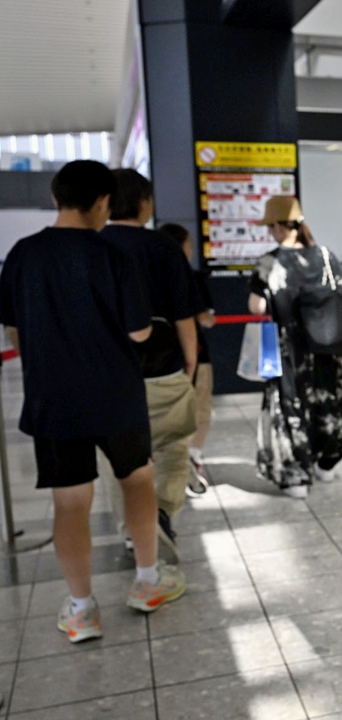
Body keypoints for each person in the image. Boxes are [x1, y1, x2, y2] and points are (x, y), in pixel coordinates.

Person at [0, 160, 185, 643]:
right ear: (103, 201)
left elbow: (13, 329)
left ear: (57, 196)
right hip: (115, 395)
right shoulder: (111, 256)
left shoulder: (22, 255)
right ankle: (147, 582)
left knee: (71, 501)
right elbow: (138, 330)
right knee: (138, 480)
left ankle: (81, 611)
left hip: (53, 400)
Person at [99, 169, 204, 561]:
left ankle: (132, 530)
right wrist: (190, 360)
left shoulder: (95, 245)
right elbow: (183, 313)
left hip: (111, 374)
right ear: (145, 203)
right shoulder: (164, 248)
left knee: (120, 457)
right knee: (172, 445)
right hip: (163, 366)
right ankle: (160, 511)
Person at [248, 196, 342, 498]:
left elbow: (256, 306)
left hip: (288, 350)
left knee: (291, 405)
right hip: (325, 346)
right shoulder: (327, 257)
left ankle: (297, 478)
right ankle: (327, 465)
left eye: (271, 227)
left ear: (280, 227)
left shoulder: (268, 262)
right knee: (327, 401)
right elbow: (341, 294)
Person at [159, 223, 216, 496]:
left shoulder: (146, 275)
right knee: (200, 410)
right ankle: (191, 456)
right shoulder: (189, 278)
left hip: (160, 360)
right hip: (194, 355)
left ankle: (174, 463)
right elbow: (202, 318)